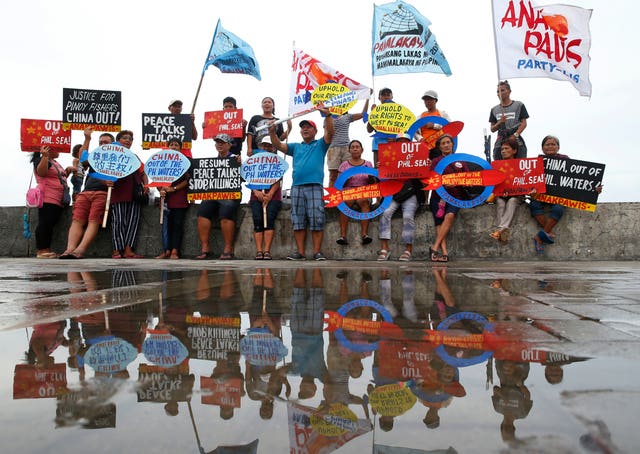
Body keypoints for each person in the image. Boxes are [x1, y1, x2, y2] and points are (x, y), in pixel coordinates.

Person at [269, 111, 334, 261]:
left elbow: (330, 132)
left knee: (317, 219)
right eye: (303, 127)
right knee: (298, 220)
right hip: (297, 187)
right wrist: (272, 132)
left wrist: (328, 115)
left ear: (315, 131)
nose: (305, 129)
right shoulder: (295, 147)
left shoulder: (320, 144)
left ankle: (317, 252)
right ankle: (300, 253)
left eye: (308, 127)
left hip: (315, 186)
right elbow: (277, 144)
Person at [530, 135, 602, 254]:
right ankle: (547, 232)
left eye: (553, 144)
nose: (550, 147)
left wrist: (594, 188)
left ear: (558, 147)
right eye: (547, 144)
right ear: (542, 148)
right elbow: (529, 180)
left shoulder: (566, 160)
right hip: (542, 195)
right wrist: (531, 190)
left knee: (558, 208)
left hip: (559, 197)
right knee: (533, 204)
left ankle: (539, 237)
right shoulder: (536, 162)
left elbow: (579, 180)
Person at [59, 128, 114, 259]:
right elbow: (83, 158)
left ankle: (80, 250)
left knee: (93, 221)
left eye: (106, 142)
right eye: (101, 142)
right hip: (86, 192)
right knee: (77, 220)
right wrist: (87, 138)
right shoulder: (95, 156)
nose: (103, 144)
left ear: (113, 144)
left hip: (102, 193)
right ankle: (69, 249)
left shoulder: (117, 159)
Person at [377, 134, 424, 262]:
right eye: (400, 141)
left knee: (408, 216)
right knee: (385, 213)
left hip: (410, 192)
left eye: (406, 141)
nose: (403, 143)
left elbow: (424, 177)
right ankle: (384, 248)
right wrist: (381, 167)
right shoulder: (390, 156)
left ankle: (408, 250)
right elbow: (381, 178)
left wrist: (426, 164)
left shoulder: (417, 155)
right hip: (393, 191)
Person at [195, 133, 241, 260]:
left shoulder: (236, 159)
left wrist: (240, 165)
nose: (219, 144)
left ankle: (228, 248)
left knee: (226, 213)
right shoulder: (212, 162)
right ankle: (205, 247)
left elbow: (243, 178)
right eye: (217, 142)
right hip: (214, 193)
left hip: (230, 193)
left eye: (222, 142)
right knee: (202, 212)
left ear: (229, 145)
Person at [428, 134, 468, 262]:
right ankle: (444, 253)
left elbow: (468, 178)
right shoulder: (436, 161)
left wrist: (456, 183)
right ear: (439, 147)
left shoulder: (460, 161)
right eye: (443, 143)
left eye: (448, 142)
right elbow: (431, 179)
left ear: (452, 144)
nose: (446, 145)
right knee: (439, 223)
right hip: (437, 197)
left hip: (456, 197)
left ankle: (434, 247)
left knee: (449, 216)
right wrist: (443, 184)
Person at [109, 130, 147, 259]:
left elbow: (143, 173)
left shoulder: (134, 157)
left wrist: (146, 185)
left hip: (135, 192)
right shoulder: (111, 154)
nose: (127, 140)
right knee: (118, 221)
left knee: (133, 222)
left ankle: (128, 250)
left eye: (130, 139)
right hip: (119, 191)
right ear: (118, 140)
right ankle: (116, 250)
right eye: (124, 138)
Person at [30, 145, 73, 258]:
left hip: (58, 198)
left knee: (50, 223)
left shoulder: (54, 162)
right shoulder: (43, 159)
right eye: (56, 148)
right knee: (45, 223)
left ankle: (47, 249)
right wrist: (44, 156)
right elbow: (42, 173)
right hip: (48, 196)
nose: (59, 150)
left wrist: (67, 171)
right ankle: (42, 250)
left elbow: (57, 177)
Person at [156, 138, 191, 259]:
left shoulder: (185, 162)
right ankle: (166, 250)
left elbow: (188, 180)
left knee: (177, 224)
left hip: (179, 198)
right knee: (165, 226)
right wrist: (161, 189)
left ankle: (175, 250)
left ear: (181, 148)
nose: (174, 147)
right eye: (171, 144)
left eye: (176, 145)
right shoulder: (162, 161)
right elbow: (156, 177)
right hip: (165, 199)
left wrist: (174, 188)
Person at [249, 136, 282, 260]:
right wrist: (256, 191)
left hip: (273, 196)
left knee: (269, 220)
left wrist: (270, 194)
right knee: (258, 220)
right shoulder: (254, 161)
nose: (267, 148)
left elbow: (278, 180)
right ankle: (259, 251)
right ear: (261, 146)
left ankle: (267, 250)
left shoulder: (278, 161)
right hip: (256, 195)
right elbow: (248, 177)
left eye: (269, 145)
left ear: (273, 147)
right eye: (264, 145)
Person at [326, 92, 370, 187]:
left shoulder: (347, 116)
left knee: (348, 175)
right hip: (333, 148)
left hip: (346, 148)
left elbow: (363, 114)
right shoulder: (327, 117)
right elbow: (327, 134)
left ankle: (347, 198)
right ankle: (333, 199)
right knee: (333, 176)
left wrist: (367, 98)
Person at [335, 139, 374, 246]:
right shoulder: (344, 165)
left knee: (364, 201)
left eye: (357, 147)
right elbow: (338, 183)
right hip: (348, 191)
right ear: (349, 150)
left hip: (364, 191)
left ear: (362, 150)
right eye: (352, 147)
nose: (355, 148)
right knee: (346, 201)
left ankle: (364, 234)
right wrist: (345, 179)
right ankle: (342, 236)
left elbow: (373, 183)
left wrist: (371, 177)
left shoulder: (368, 164)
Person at [490, 136, 524, 243]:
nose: (503, 151)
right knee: (500, 203)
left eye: (506, 149)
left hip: (516, 196)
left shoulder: (521, 165)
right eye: (502, 149)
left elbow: (525, 182)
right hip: (501, 195)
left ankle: (499, 230)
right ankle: (502, 232)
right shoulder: (496, 166)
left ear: (514, 150)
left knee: (512, 201)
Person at [489, 80, 529, 161]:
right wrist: (499, 123)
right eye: (498, 91)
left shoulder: (518, 105)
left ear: (509, 91)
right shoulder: (494, 109)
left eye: (502, 90)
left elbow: (524, 123)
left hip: (515, 136)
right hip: (501, 137)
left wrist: (515, 135)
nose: (499, 93)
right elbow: (492, 129)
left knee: (520, 161)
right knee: (498, 161)